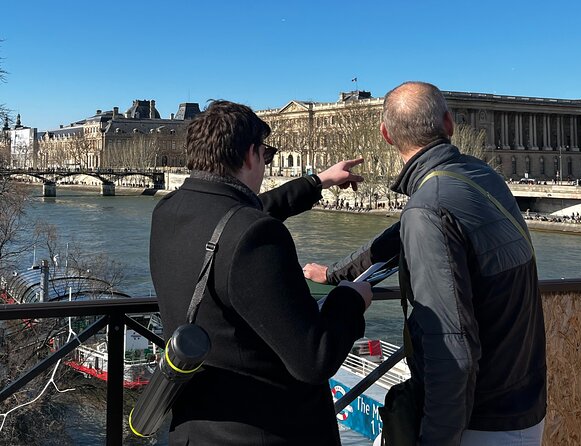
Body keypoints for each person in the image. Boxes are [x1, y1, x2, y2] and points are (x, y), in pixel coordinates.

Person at [304, 82, 546, 445]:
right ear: (449, 124)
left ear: (385, 135)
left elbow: (452, 351)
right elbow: (394, 239)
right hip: (524, 399)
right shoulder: (479, 177)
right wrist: (334, 273)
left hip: (480, 421)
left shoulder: (428, 207)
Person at [150, 100, 373, 445]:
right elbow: (314, 358)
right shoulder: (254, 234)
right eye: (266, 156)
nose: (266, 167)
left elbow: (240, 216)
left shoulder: (167, 211)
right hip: (263, 430)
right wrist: (349, 299)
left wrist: (318, 181)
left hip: (194, 427)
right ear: (251, 154)